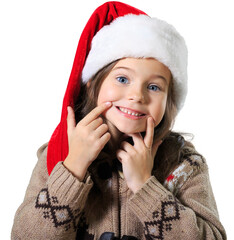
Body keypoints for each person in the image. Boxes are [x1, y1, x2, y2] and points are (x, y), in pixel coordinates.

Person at [11, 1, 226, 239]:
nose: (137, 96)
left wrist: (146, 188)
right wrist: (73, 168)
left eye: (154, 86)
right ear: (93, 83)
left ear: (168, 102)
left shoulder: (184, 165)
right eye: (123, 79)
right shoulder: (61, 154)